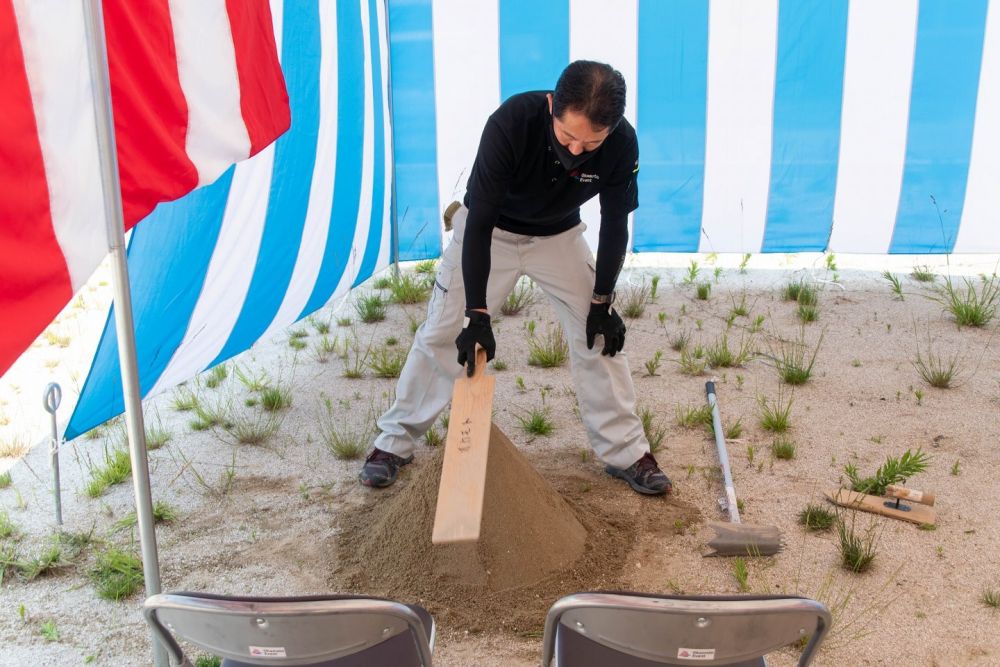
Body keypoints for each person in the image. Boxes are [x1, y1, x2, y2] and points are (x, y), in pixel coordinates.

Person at [359, 60, 671, 496]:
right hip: (492, 231)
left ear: (612, 129)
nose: (578, 151)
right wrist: (478, 315)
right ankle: (393, 443)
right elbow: (480, 220)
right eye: (567, 137)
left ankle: (627, 453)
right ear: (551, 108)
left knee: (599, 336)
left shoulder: (622, 144)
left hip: (558, 235)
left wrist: (603, 301)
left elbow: (616, 223)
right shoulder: (511, 122)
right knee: (443, 334)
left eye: (591, 143)